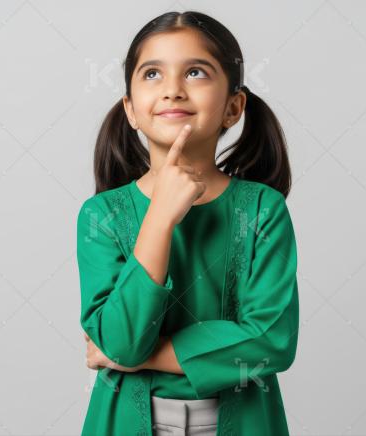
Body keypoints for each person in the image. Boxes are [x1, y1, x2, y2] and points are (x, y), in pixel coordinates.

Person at [77, 10, 299, 435]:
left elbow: (270, 341)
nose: (173, 90)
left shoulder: (262, 210)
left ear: (233, 107)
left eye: (195, 72)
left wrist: (146, 357)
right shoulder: (101, 216)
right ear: (131, 110)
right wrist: (159, 219)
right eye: (152, 74)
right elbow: (120, 340)